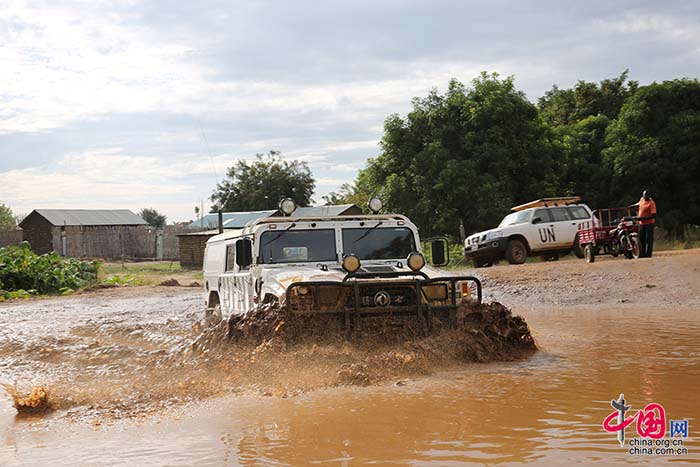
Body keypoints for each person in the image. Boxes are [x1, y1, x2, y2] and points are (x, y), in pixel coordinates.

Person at [637, 190, 657, 258]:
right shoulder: (642, 199)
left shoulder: (651, 203)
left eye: (646, 195)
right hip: (641, 224)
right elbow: (639, 204)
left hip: (649, 223)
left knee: (649, 239)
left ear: (649, 196)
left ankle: (648, 254)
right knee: (641, 239)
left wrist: (643, 218)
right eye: (644, 195)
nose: (645, 197)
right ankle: (642, 254)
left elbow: (653, 215)